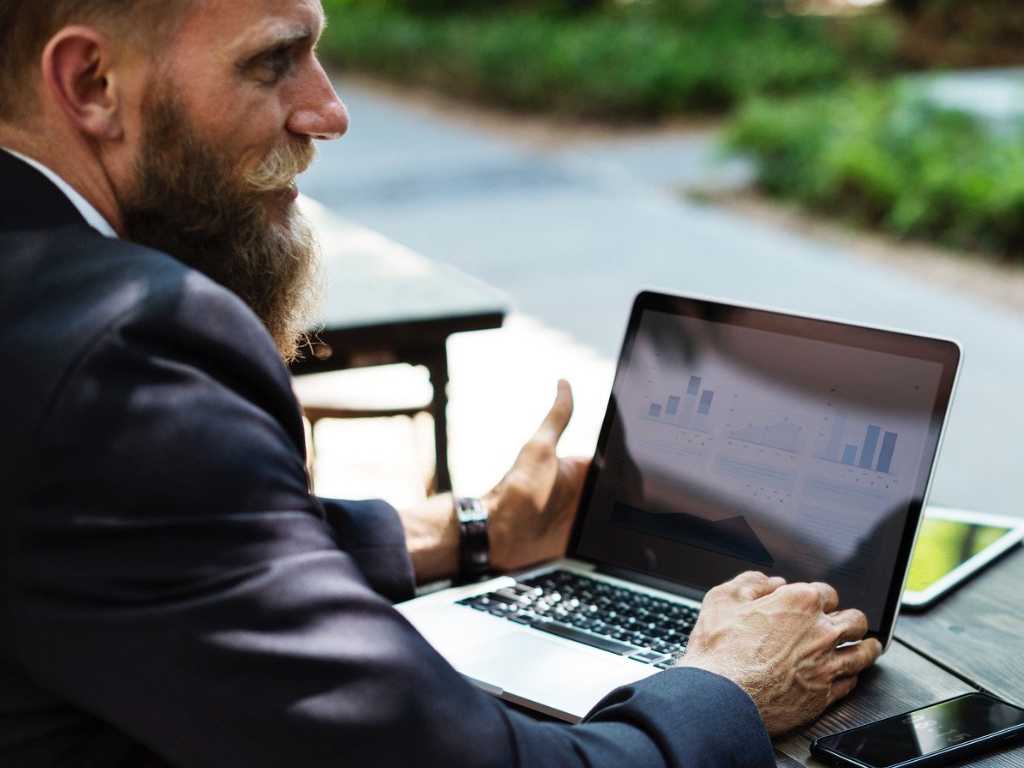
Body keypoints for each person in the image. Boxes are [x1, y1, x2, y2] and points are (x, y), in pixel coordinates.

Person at [0, 1, 883, 766]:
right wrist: (725, 684)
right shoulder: (127, 349)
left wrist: (466, 531)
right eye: (273, 60)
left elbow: (138, 550)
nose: (328, 110)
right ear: (89, 83)